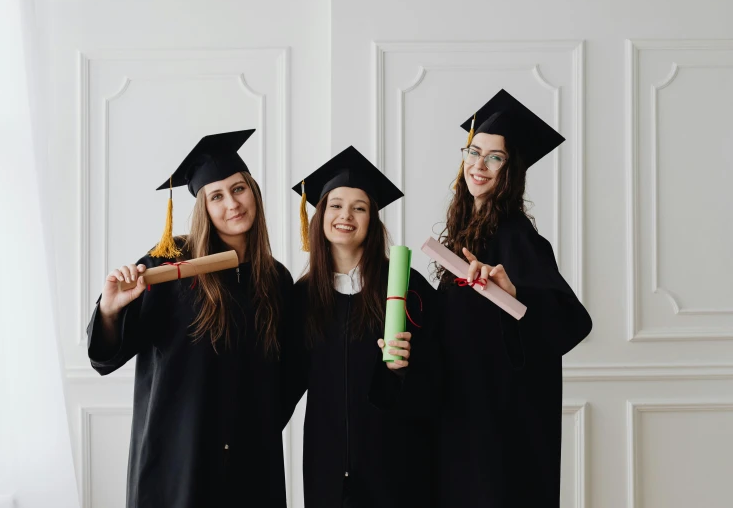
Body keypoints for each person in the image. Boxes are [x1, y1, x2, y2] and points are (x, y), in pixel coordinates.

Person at [87, 129, 294, 507]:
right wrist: (110, 309)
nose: (232, 203)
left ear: (254, 192)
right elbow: (106, 356)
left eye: (239, 189)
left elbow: (287, 375)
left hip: (250, 465)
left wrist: (256, 429)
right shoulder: (169, 266)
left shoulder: (276, 280)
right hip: (177, 459)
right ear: (204, 207)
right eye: (217, 196)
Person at [434, 90, 593, 507]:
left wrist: (516, 294)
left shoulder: (518, 238)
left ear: (511, 170)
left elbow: (574, 321)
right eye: (473, 151)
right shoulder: (467, 235)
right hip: (461, 422)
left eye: (494, 157)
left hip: (501, 435)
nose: (478, 165)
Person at [283, 146, 438, 508]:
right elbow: (283, 380)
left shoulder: (406, 287)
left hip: (397, 460)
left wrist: (405, 371)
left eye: (360, 207)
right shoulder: (302, 297)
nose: (345, 216)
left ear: (373, 220)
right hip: (327, 461)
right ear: (320, 215)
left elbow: (442, 369)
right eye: (335, 205)